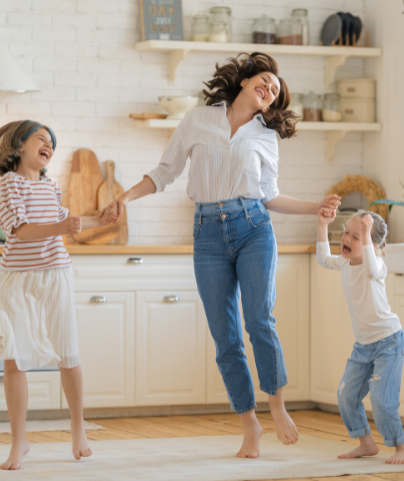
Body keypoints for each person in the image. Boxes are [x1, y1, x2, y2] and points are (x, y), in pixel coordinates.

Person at [104, 52, 340, 458]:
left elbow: (269, 196)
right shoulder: (198, 119)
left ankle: (277, 406)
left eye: (276, 90)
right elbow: (165, 172)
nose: (269, 88)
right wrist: (124, 197)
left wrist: (314, 206)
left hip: (253, 229)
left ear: (271, 103)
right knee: (225, 337)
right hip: (207, 234)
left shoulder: (265, 136)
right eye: (265, 80)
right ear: (247, 80)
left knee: (260, 321)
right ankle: (250, 425)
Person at [0, 120, 107, 470]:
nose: (49, 144)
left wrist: (102, 219)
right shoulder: (9, 185)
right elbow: (19, 231)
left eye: (52, 141)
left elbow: (69, 220)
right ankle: (19, 442)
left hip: (56, 275)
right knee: (14, 358)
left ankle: (79, 430)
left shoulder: (50, 187)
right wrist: (63, 226)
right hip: (17, 280)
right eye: (41, 138)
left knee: (69, 353)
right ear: (20, 145)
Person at [316, 209, 404, 464]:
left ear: (373, 243)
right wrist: (322, 225)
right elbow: (323, 258)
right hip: (363, 347)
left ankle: (402, 447)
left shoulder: (377, 266)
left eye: (356, 237)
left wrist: (368, 233)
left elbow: (371, 269)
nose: (346, 239)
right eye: (346, 232)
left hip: (388, 343)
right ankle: (366, 443)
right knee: (346, 395)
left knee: (381, 400)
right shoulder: (345, 263)